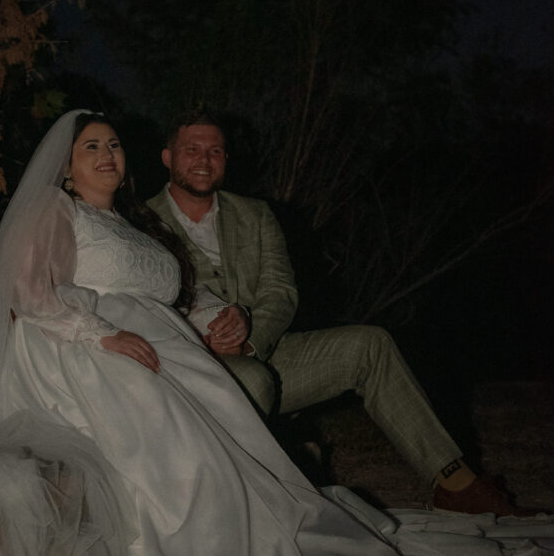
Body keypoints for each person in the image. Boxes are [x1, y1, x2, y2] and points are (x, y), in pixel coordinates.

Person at [0, 110, 552, 556]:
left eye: (112, 144)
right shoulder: (58, 209)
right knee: (187, 426)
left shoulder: (139, 225)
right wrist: (101, 334)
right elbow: (31, 292)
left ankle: (356, 503)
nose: (106, 154)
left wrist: (222, 316)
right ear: (68, 166)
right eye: (90, 147)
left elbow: (189, 291)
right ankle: (215, 545)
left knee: (256, 406)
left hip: (179, 345)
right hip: (95, 348)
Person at [147, 108, 538, 518]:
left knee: (370, 344)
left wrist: (250, 333)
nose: (204, 160)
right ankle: (248, 506)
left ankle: (456, 484)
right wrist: (200, 339)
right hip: (193, 364)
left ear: (226, 159)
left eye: (216, 151)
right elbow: (142, 303)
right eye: (192, 150)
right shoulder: (143, 221)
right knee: (254, 381)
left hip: (262, 347)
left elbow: (281, 292)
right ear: (168, 158)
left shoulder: (256, 214)